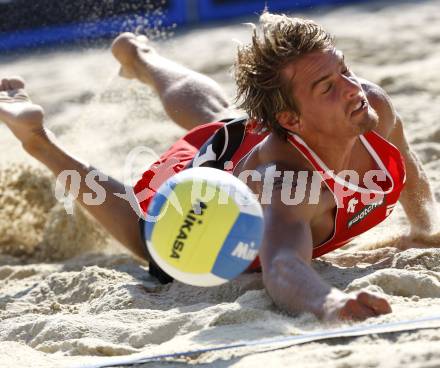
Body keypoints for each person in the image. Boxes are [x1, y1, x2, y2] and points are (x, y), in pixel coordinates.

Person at [1, 13, 438, 321]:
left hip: (252, 141)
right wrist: (328, 304)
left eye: (344, 69)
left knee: (222, 116)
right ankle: (39, 140)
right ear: (291, 120)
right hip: (211, 199)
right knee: (146, 235)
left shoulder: (369, 104)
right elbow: (283, 265)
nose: (351, 88)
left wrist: (424, 228)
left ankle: (140, 57)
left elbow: (409, 171)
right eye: (328, 85)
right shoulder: (286, 184)